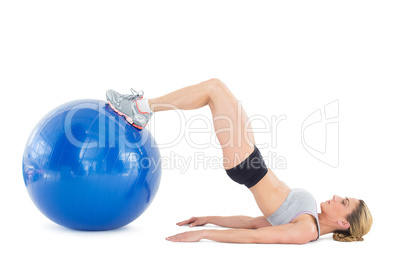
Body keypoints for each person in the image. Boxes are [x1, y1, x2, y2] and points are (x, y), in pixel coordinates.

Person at [106, 78, 373, 244]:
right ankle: (142, 107)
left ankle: (142, 108)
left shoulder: (306, 231)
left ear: (343, 224)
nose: (338, 196)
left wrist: (205, 235)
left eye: (344, 203)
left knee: (212, 89)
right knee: (219, 87)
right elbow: (252, 222)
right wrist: (209, 219)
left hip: (247, 165)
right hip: (254, 157)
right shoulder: (310, 218)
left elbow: (255, 237)